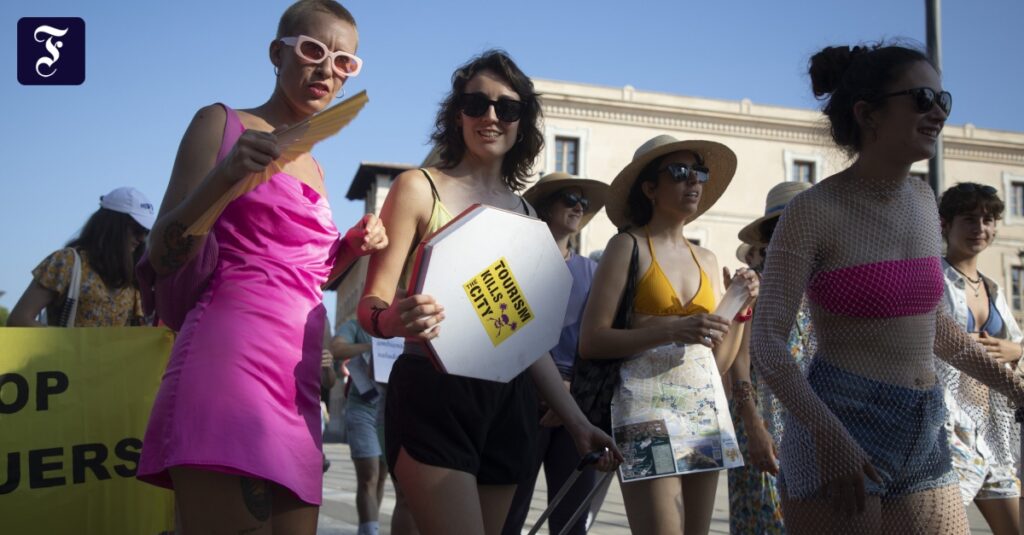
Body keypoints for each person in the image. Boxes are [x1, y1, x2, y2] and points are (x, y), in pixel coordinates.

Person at [750, 42, 1024, 534]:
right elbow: (767, 341)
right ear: (868, 113)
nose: (938, 111)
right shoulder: (811, 211)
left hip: (925, 425)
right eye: (922, 97)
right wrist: (829, 437)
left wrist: (1014, 386)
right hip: (838, 421)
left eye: (944, 100)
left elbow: (933, 327)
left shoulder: (922, 201)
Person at [135, 2, 387, 533]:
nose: (327, 70)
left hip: (297, 380)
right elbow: (161, 252)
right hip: (227, 360)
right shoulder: (221, 124)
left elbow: (301, 276)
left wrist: (352, 248)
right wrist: (224, 175)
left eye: (345, 62)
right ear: (278, 53)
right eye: (314, 51)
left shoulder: (315, 163)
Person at [357, 50, 620, 535]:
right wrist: (394, 320)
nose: (491, 116)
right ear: (457, 114)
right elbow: (371, 304)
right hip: (433, 395)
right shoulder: (418, 188)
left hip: (509, 406)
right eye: (476, 103)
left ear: (524, 123)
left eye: (507, 107)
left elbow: (522, 337)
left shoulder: (524, 212)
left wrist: (577, 423)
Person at [578, 134, 759, 535]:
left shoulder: (709, 259)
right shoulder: (627, 246)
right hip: (643, 411)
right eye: (679, 172)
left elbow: (717, 362)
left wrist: (740, 309)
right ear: (650, 188)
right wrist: (674, 328)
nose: (693, 182)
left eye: (699, 173)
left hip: (704, 410)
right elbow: (592, 340)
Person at [502, 172, 609, 535]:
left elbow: (599, 343)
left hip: (576, 404)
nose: (579, 206)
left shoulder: (594, 272)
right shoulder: (515, 264)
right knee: (507, 512)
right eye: (570, 198)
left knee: (570, 521)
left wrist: (570, 391)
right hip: (520, 398)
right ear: (546, 206)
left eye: (585, 202)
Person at [726, 181, 813, 535]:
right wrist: (754, 427)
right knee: (765, 524)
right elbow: (738, 363)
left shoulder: (823, 286)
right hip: (765, 426)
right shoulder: (753, 284)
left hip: (814, 428)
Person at [937, 182, 1022, 535]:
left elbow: (1015, 343)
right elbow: (920, 337)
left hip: (994, 433)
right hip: (948, 429)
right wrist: (959, 344)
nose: (980, 228)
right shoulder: (934, 278)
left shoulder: (994, 288)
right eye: (969, 219)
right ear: (945, 224)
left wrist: (1016, 350)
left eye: (987, 220)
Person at [8, 186, 154, 327]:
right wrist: (72, 344)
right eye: (136, 229)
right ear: (112, 225)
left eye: (145, 231)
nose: (141, 238)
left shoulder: (133, 274)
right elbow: (19, 319)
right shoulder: (67, 262)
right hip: (68, 353)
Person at [332, 318, 388, 535]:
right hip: (362, 408)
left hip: (388, 408)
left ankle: (368, 528)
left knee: (381, 477)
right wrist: (375, 347)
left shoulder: (400, 325)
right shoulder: (357, 326)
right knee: (369, 476)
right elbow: (336, 348)